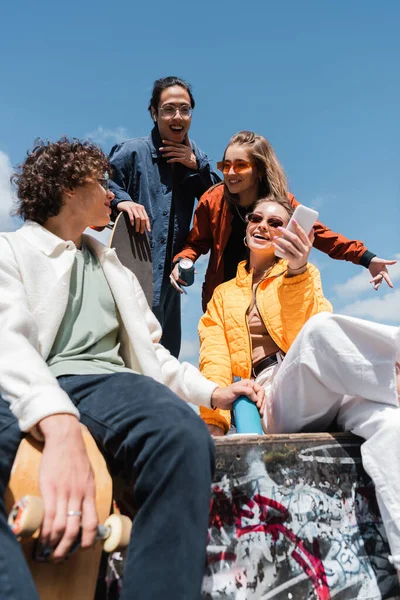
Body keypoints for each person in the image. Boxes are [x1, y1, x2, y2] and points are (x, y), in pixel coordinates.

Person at [0, 138, 263, 600]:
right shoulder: (11, 250)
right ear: (66, 189)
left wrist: (212, 393)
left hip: (107, 383)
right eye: (100, 182)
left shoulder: (114, 265)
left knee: (181, 435)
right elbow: (9, 342)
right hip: (28, 381)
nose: (110, 191)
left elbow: (153, 354)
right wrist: (57, 422)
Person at [198, 195, 400, 577]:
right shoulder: (222, 296)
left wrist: (297, 274)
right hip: (272, 393)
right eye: (256, 218)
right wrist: (214, 423)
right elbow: (215, 361)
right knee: (321, 332)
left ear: (291, 233)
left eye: (276, 223)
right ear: (245, 230)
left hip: (331, 381)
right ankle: (394, 368)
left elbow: (315, 337)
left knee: (392, 426)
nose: (263, 226)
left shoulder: (303, 273)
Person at [172, 130, 396, 312]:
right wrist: (183, 261)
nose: (230, 173)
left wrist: (367, 259)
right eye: (225, 165)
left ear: (259, 170)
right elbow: (196, 243)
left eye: (240, 165)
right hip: (223, 301)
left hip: (270, 301)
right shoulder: (213, 199)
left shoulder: (282, 205)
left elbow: (322, 236)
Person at [108, 76, 220, 357]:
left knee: (165, 360)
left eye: (185, 109)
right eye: (169, 109)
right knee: (126, 358)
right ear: (154, 112)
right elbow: (98, 183)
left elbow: (222, 200)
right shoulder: (132, 151)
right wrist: (122, 201)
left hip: (171, 288)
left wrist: (197, 166)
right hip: (129, 276)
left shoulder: (197, 157)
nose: (177, 116)